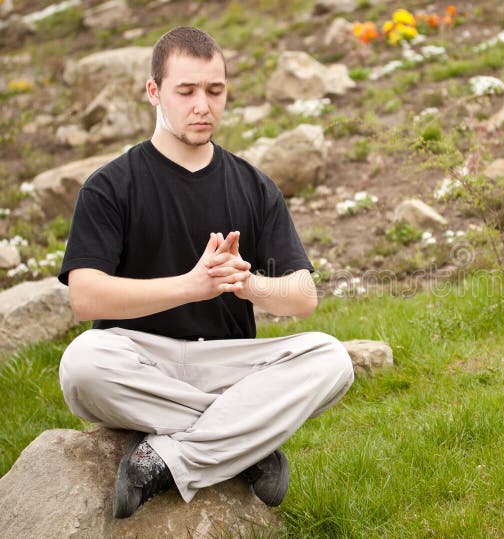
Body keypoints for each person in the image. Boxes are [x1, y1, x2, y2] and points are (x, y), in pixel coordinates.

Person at [57, 26, 354, 519]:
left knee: (331, 360)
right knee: (81, 365)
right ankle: (248, 441)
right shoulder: (110, 186)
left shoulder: (254, 186)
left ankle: (169, 456)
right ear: (154, 92)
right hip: (139, 363)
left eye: (214, 91)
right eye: (186, 90)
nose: (203, 105)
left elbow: (303, 297)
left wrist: (246, 283)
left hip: (227, 366)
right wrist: (192, 287)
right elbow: (85, 297)